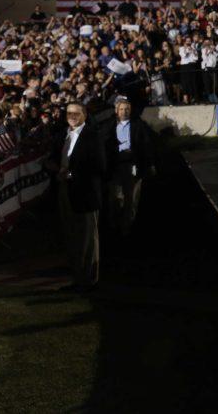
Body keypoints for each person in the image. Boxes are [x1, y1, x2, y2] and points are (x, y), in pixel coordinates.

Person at [50, 102, 105, 291]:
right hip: (65, 190)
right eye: (69, 113)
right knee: (71, 235)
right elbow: (54, 158)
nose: (72, 116)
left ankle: (89, 279)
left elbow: (99, 165)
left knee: (88, 238)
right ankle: (77, 276)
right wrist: (54, 167)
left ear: (85, 114)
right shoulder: (63, 135)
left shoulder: (92, 135)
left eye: (76, 113)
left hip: (85, 193)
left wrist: (72, 174)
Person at [101, 96, 154, 238]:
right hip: (115, 166)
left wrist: (149, 164)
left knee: (131, 198)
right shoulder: (108, 126)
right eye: (122, 109)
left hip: (133, 165)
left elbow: (147, 145)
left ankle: (127, 227)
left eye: (127, 109)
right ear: (116, 110)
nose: (124, 112)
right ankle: (113, 225)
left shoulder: (138, 125)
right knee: (115, 197)